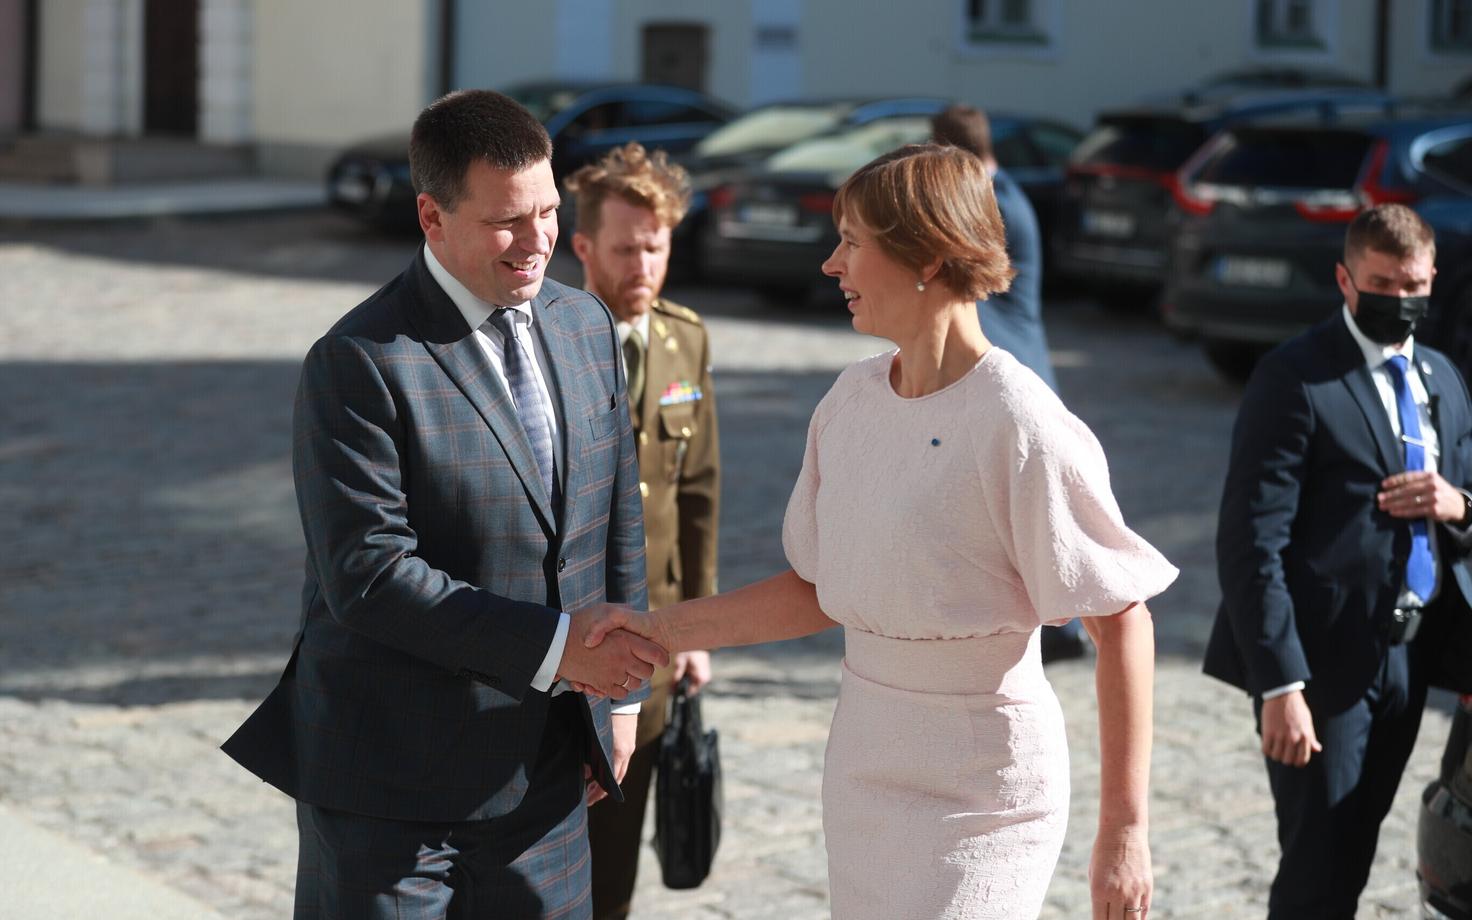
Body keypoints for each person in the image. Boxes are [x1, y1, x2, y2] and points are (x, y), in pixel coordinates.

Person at [585, 144, 1176, 918]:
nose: (833, 265)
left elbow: (1122, 620)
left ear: (926, 254)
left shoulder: (1020, 422)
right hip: (864, 771)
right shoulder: (849, 402)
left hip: (986, 793)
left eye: (853, 243)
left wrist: (1125, 833)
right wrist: (656, 630)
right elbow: (819, 592)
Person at [220, 89, 667, 919]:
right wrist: (561, 651)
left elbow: (616, 524)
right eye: (506, 222)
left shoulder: (585, 326)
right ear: (431, 216)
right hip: (391, 794)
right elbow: (370, 576)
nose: (537, 243)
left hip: (546, 777)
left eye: (547, 212)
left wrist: (622, 698)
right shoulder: (359, 361)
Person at [1204, 203, 1472, 919]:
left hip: (1411, 661)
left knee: (1354, 855)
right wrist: (1279, 683)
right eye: (1382, 282)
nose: (1400, 299)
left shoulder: (1442, 378)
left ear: (1433, 279)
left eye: (1413, 285)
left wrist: (1460, 505)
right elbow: (1250, 540)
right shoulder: (1295, 377)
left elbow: (1470, 497)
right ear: (1345, 281)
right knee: (1318, 873)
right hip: (1321, 668)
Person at [565, 142, 722, 919]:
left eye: (654, 247)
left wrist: (695, 629)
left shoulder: (683, 339)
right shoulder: (549, 342)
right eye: (625, 249)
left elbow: (696, 494)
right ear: (583, 248)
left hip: (651, 647)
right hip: (566, 645)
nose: (642, 265)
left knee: (616, 868)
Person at [930, 103, 1088, 665]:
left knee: (1029, 514)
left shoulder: (996, 204)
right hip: (1014, 359)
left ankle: (1063, 628)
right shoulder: (1002, 194)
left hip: (1013, 368)